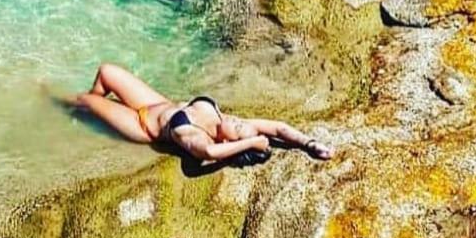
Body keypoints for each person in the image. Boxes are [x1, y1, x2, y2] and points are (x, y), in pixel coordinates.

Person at [70, 63, 334, 165]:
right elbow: (278, 128)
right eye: (241, 122)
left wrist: (252, 142)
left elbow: (209, 153)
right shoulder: (223, 123)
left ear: (229, 142)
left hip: (141, 124)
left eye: (238, 127)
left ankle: (62, 102)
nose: (236, 120)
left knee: (84, 100)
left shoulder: (200, 139)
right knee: (107, 71)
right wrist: (309, 143)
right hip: (157, 103)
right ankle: (85, 112)